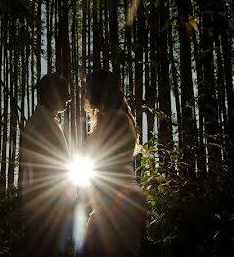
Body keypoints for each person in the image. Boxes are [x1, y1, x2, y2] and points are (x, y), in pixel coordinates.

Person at [81, 69, 147, 256]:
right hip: (117, 201)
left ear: (102, 90)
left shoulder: (115, 119)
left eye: (90, 89)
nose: (87, 94)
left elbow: (101, 165)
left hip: (119, 203)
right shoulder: (115, 118)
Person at [19, 73, 75, 256]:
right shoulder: (42, 124)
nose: (69, 97)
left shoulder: (45, 121)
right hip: (48, 210)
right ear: (51, 93)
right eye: (64, 93)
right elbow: (49, 170)